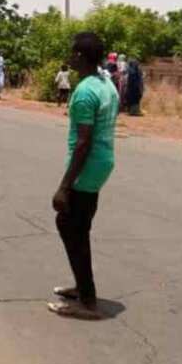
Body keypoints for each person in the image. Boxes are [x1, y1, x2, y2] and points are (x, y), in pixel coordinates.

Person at [49, 32, 119, 320]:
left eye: (72, 52)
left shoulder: (85, 92)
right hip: (102, 163)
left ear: (80, 56)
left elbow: (83, 142)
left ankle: (87, 302)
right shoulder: (107, 85)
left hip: (87, 165)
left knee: (69, 224)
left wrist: (64, 186)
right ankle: (81, 287)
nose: (70, 56)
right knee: (79, 226)